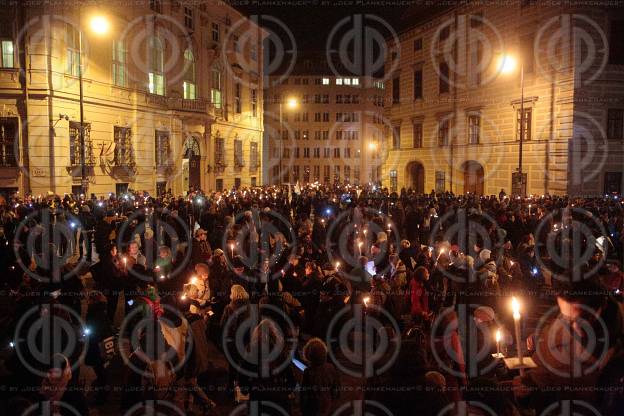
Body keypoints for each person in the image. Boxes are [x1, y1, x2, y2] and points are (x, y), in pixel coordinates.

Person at [300, 338, 341, 416]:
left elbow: (303, 393)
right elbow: (336, 387)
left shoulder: (308, 371)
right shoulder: (331, 367)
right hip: (327, 403)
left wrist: (302, 408)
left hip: (312, 406)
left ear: (309, 355)